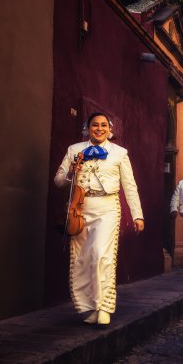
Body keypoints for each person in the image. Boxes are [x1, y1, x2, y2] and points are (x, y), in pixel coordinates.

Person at [54, 112, 145, 326]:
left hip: (108, 207)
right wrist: (70, 173)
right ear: (88, 127)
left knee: (101, 254)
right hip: (80, 207)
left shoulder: (120, 153)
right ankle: (87, 306)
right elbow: (58, 181)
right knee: (83, 258)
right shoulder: (74, 150)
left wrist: (137, 214)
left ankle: (104, 306)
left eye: (104, 125)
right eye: (95, 125)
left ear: (110, 129)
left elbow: (130, 186)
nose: (99, 128)